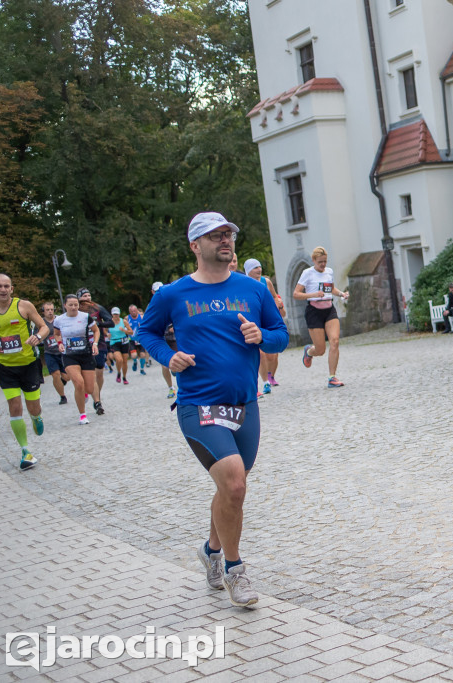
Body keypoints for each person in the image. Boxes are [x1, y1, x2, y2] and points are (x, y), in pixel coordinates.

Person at [137, 211, 288, 609]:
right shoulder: (172, 294)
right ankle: (235, 572)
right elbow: (146, 333)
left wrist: (263, 336)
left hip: (245, 404)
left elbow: (280, 336)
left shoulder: (252, 289)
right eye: (215, 236)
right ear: (195, 245)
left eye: (228, 235)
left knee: (230, 490)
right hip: (198, 405)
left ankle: (211, 550)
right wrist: (168, 357)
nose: (225, 241)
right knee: (235, 482)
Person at [0, 274, 48, 470]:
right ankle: (25, 451)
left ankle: (36, 417)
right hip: (4, 366)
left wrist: (37, 336)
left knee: (33, 408)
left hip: (28, 364)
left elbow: (44, 327)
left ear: (12, 289)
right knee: (14, 406)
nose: (2, 289)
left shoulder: (24, 306)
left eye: (6, 286)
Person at [294, 246, 348, 388]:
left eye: (325, 261)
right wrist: (313, 294)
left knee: (335, 341)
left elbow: (331, 288)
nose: (323, 265)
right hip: (314, 311)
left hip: (329, 310)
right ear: (313, 260)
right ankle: (309, 351)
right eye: (320, 262)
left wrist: (342, 294)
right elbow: (296, 294)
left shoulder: (329, 272)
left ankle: (332, 377)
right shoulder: (307, 273)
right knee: (320, 350)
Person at [53, 294, 100, 425]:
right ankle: (82, 415)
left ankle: (84, 394)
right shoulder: (59, 320)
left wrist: (95, 344)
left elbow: (96, 331)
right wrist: (60, 343)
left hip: (86, 354)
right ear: (65, 306)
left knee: (89, 389)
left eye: (76, 304)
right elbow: (56, 334)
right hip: (69, 355)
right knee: (78, 383)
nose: (73, 307)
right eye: (71, 305)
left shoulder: (85, 317)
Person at [244, 258, 285, 393]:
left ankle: (271, 375)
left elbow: (274, 296)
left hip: (267, 319)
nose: (259, 269)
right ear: (248, 271)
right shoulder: (244, 284)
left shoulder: (266, 282)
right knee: (261, 354)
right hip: (255, 320)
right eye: (255, 268)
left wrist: (276, 303)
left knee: (273, 355)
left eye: (259, 267)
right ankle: (265, 382)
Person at [78, 289, 111, 414]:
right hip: (83, 346)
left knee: (99, 374)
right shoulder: (76, 310)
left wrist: (97, 324)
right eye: (84, 296)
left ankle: (94, 393)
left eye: (89, 295)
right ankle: (97, 402)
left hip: (99, 344)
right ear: (79, 298)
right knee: (90, 374)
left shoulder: (98, 308)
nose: (87, 298)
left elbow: (111, 323)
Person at [151, 282, 177, 399]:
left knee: (179, 364)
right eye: (156, 291)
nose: (158, 293)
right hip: (162, 339)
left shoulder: (172, 300)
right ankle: (171, 388)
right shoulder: (151, 307)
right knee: (165, 366)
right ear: (152, 292)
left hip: (175, 338)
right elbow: (148, 327)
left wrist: (174, 327)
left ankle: (183, 387)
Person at [40, 302, 69, 405]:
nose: (50, 312)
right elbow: (36, 335)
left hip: (62, 352)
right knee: (55, 374)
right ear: (43, 311)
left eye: (52, 309)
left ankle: (63, 381)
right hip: (50, 353)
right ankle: (62, 396)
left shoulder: (59, 320)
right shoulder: (40, 323)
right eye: (47, 310)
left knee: (67, 377)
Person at [108, 307, 134, 384]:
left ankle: (124, 377)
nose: (116, 315)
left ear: (119, 314)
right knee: (119, 360)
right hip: (114, 342)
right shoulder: (109, 322)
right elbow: (105, 331)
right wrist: (107, 335)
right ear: (112, 314)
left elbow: (131, 332)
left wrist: (124, 330)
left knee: (125, 361)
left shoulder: (124, 321)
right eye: (114, 314)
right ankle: (119, 372)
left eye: (117, 314)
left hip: (124, 342)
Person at [127, 304, 149, 374]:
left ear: (137, 310)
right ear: (129, 312)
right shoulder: (127, 318)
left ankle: (142, 369)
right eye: (131, 311)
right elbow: (125, 328)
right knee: (134, 355)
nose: (133, 312)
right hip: (132, 339)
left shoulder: (142, 317)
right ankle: (135, 362)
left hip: (141, 339)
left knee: (143, 355)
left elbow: (147, 326)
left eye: (134, 310)